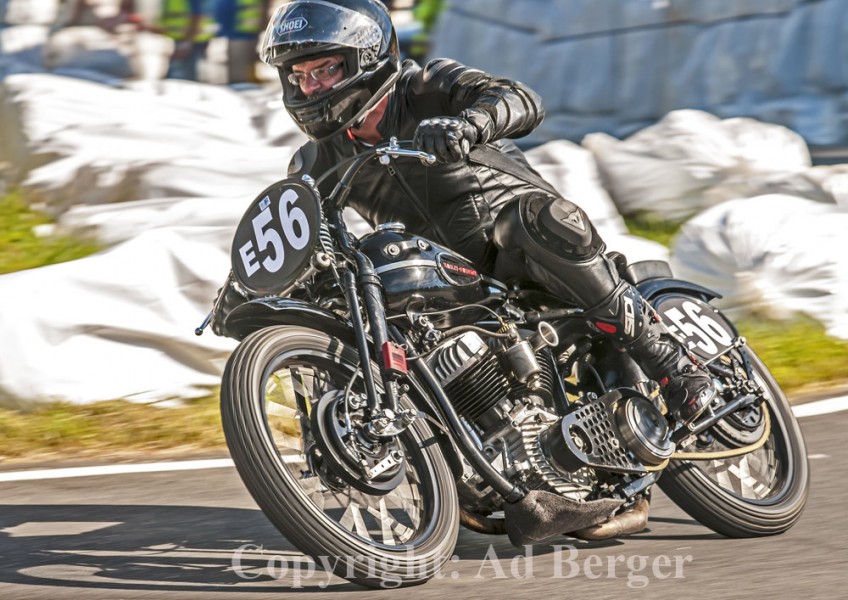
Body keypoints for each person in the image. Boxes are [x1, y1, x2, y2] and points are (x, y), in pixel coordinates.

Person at [220, 0, 718, 534]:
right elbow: (307, 234)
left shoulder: (426, 85)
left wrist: (468, 123)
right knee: (357, 300)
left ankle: (672, 363)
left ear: (364, 58)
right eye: (299, 75)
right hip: (451, 278)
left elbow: (519, 100)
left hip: (517, 246)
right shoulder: (314, 161)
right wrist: (246, 287)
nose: (313, 87)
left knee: (535, 219)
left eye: (325, 69)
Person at [212, 0, 271, 84]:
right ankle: (243, 84)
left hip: (245, 33)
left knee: (244, 68)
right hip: (239, 34)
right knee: (239, 73)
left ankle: (245, 84)